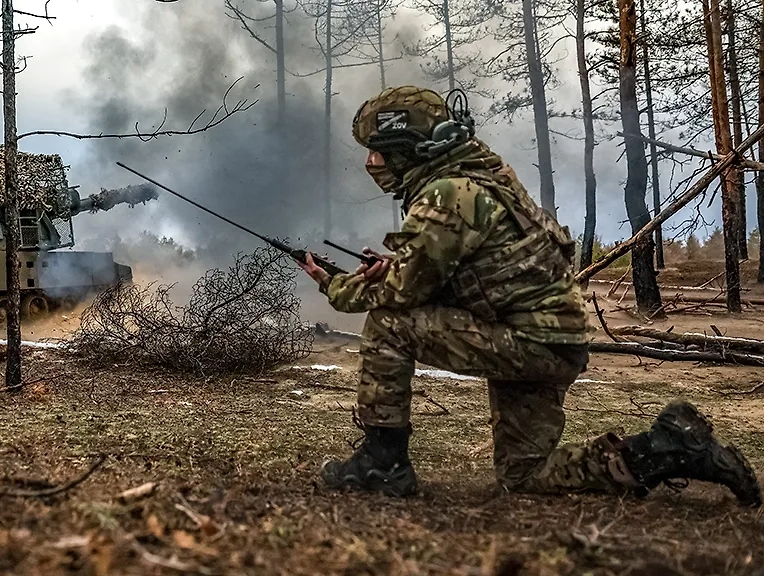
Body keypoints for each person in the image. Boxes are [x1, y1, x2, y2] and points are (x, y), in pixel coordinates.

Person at [297, 85, 761, 507]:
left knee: (389, 324)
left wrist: (333, 283)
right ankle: (667, 449)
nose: (371, 162)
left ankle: (383, 464)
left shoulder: (448, 193)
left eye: (379, 150)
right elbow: (468, 270)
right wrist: (399, 268)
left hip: (527, 341)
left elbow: (400, 294)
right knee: (525, 474)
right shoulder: (485, 177)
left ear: (410, 149)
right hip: (550, 340)